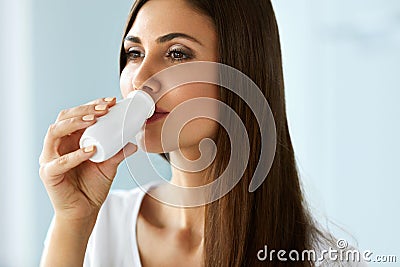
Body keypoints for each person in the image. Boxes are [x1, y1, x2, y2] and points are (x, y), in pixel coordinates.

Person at [39, 0, 368, 266]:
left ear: (240, 74)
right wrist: (73, 220)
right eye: (134, 53)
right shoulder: (99, 226)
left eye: (177, 54)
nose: (139, 80)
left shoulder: (324, 259)